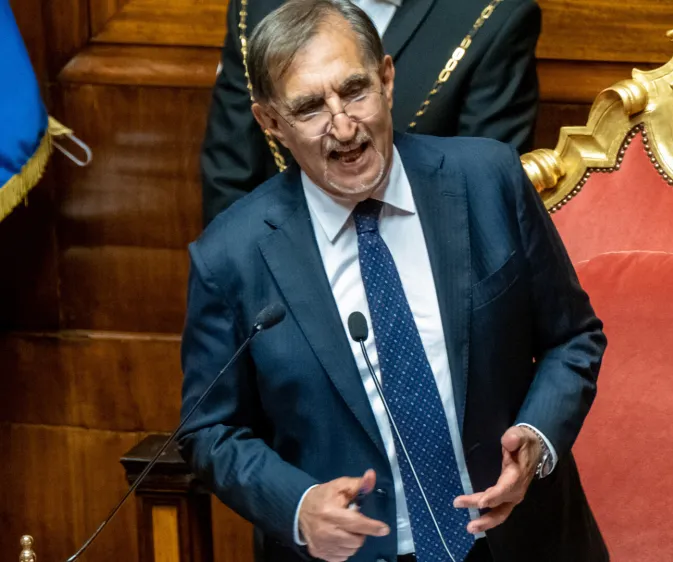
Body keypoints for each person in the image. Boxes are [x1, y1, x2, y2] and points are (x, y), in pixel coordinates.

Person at [178, 1, 608, 561]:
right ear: (270, 122)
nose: (343, 125)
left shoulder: (488, 180)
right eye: (310, 107)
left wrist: (538, 435)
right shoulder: (230, 257)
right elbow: (208, 429)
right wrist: (299, 505)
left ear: (386, 78)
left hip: (523, 542)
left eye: (355, 90)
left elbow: (572, 338)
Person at [200, 0, 541, 225]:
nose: (344, 129)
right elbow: (229, 173)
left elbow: (482, 196)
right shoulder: (256, 5)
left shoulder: (494, 14)